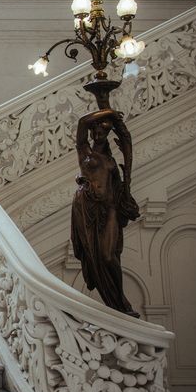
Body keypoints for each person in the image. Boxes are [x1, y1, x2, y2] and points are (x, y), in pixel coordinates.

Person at [71, 108, 140, 317]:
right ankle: (115, 302)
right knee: (95, 257)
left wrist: (126, 200)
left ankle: (119, 299)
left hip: (108, 209)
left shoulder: (110, 161)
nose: (99, 133)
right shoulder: (84, 152)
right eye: (97, 129)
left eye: (104, 130)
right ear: (92, 133)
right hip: (88, 208)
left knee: (109, 256)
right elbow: (82, 122)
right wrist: (107, 112)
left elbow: (119, 187)